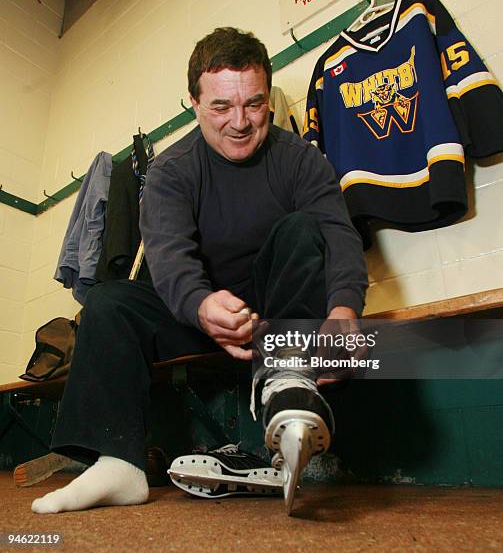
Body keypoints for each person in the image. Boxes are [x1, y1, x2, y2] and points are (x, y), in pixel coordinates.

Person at [31, 27, 368, 516]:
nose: (239, 122)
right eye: (221, 107)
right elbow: (168, 253)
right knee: (107, 301)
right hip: (198, 313)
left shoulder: (301, 160)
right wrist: (200, 303)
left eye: (253, 104)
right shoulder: (171, 170)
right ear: (193, 101)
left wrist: (342, 310)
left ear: (267, 99)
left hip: (276, 319)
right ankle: (118, 463)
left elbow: (338, 234)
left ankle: (288, 381)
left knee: (301, 228)